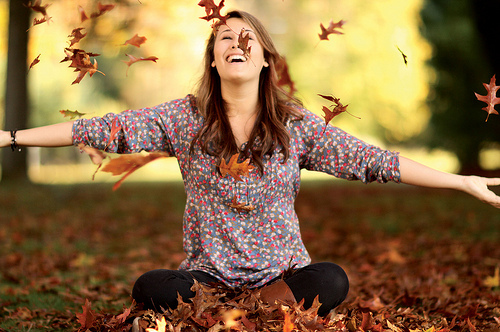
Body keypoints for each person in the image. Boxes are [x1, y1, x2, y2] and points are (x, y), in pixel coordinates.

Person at [1, 10, 499, 317]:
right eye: (225, 39)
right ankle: (230, 310)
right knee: (150, 287)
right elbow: (96, 129)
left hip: (284, 276)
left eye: (248, 39)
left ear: (264, 60)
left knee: (332, 281)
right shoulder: (183, 119)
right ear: (213, 61)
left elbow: (374, 161)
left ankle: (245, 311)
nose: (236, 44)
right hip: (206, 279)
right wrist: (11, 136)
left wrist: (461, 182)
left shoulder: (297, 126)